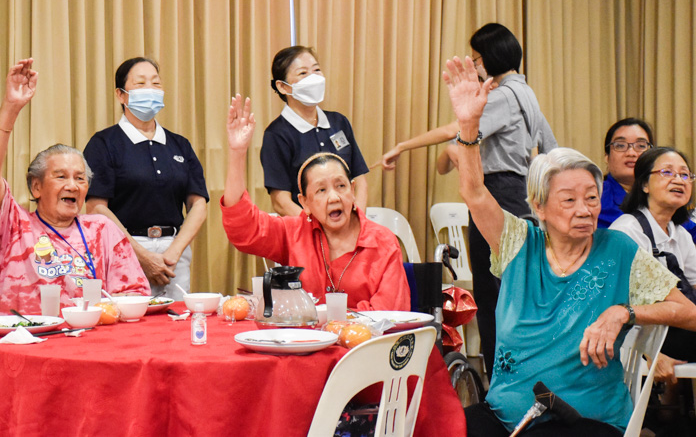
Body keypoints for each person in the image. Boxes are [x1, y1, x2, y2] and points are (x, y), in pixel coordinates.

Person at [442, 55, 696, 436]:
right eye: (569, 200)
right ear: (539, 207)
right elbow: (474, 192)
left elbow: (689, 313)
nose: (585, 210)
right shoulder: (518, 242)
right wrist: (468, 124)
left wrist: (623, 313)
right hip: (507, 413)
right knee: (452, 426)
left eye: (592, 198)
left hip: (585, 418)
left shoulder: (618, 249)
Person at [222, 95, 465, 437]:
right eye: (320, 190)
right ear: (303, 203)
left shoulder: (382, 242)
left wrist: (321, 321)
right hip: (305, 369)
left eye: (340, 186)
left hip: (372, 372)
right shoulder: (295, 231)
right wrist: (236, 155)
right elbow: (242, 226)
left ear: (353, 191)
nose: (334, 197)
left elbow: (387, 315)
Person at [382, 22, 557, 374]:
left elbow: (456, 128)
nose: (475, 65)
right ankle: (522, 372)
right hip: (520, 194)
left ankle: (499, 375)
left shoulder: (503, 95)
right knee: (515, 289)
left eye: (476, 58)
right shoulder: (527, 94)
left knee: (494, 293)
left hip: (495, 195)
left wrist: (403, 145)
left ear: (490, 56)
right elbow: (550, 149)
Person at [0, 58, 150, 316]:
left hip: (90, 342)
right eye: (60, 177)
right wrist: (11, 107)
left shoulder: (102, 231)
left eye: (80, 178)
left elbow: (134, 294)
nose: (73, 185)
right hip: (27, 341)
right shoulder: (14, 228)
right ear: (36, 187)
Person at [83, 57, 209, 300]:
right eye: (140, 84)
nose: (150, 89)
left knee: (176, 325)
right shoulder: (104, 143)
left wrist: (173, 252)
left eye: (156, 83)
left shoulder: (179, 144)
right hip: (125, 249)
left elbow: (198, 205)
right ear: (121, 95)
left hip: (174, 253)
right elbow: (97, 208)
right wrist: (140, 254)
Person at [610, 146, 696, 376]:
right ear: (644, 185)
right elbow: (613, 305)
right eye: (667, 172)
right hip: (632, 335)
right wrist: (648, 352)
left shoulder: (681, 235)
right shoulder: (627, 231)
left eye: (685, 174)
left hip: (675, 329)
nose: (679, 179)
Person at [260, 46, 369, 218]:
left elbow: (359, 179)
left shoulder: (339, 122)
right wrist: (318, 229)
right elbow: (281, 201)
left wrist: (357, 221)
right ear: (283, 87)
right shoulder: (276, 135)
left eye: (316, 70)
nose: (314, 78)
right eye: (303, 73)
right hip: (306, 231)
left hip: (347, 227)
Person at [597, 118, 654, 229]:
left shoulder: (660, 194)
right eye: (620, 146)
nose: (631, 153)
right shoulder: (596, 195)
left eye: (641, 146)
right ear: (607, 157)